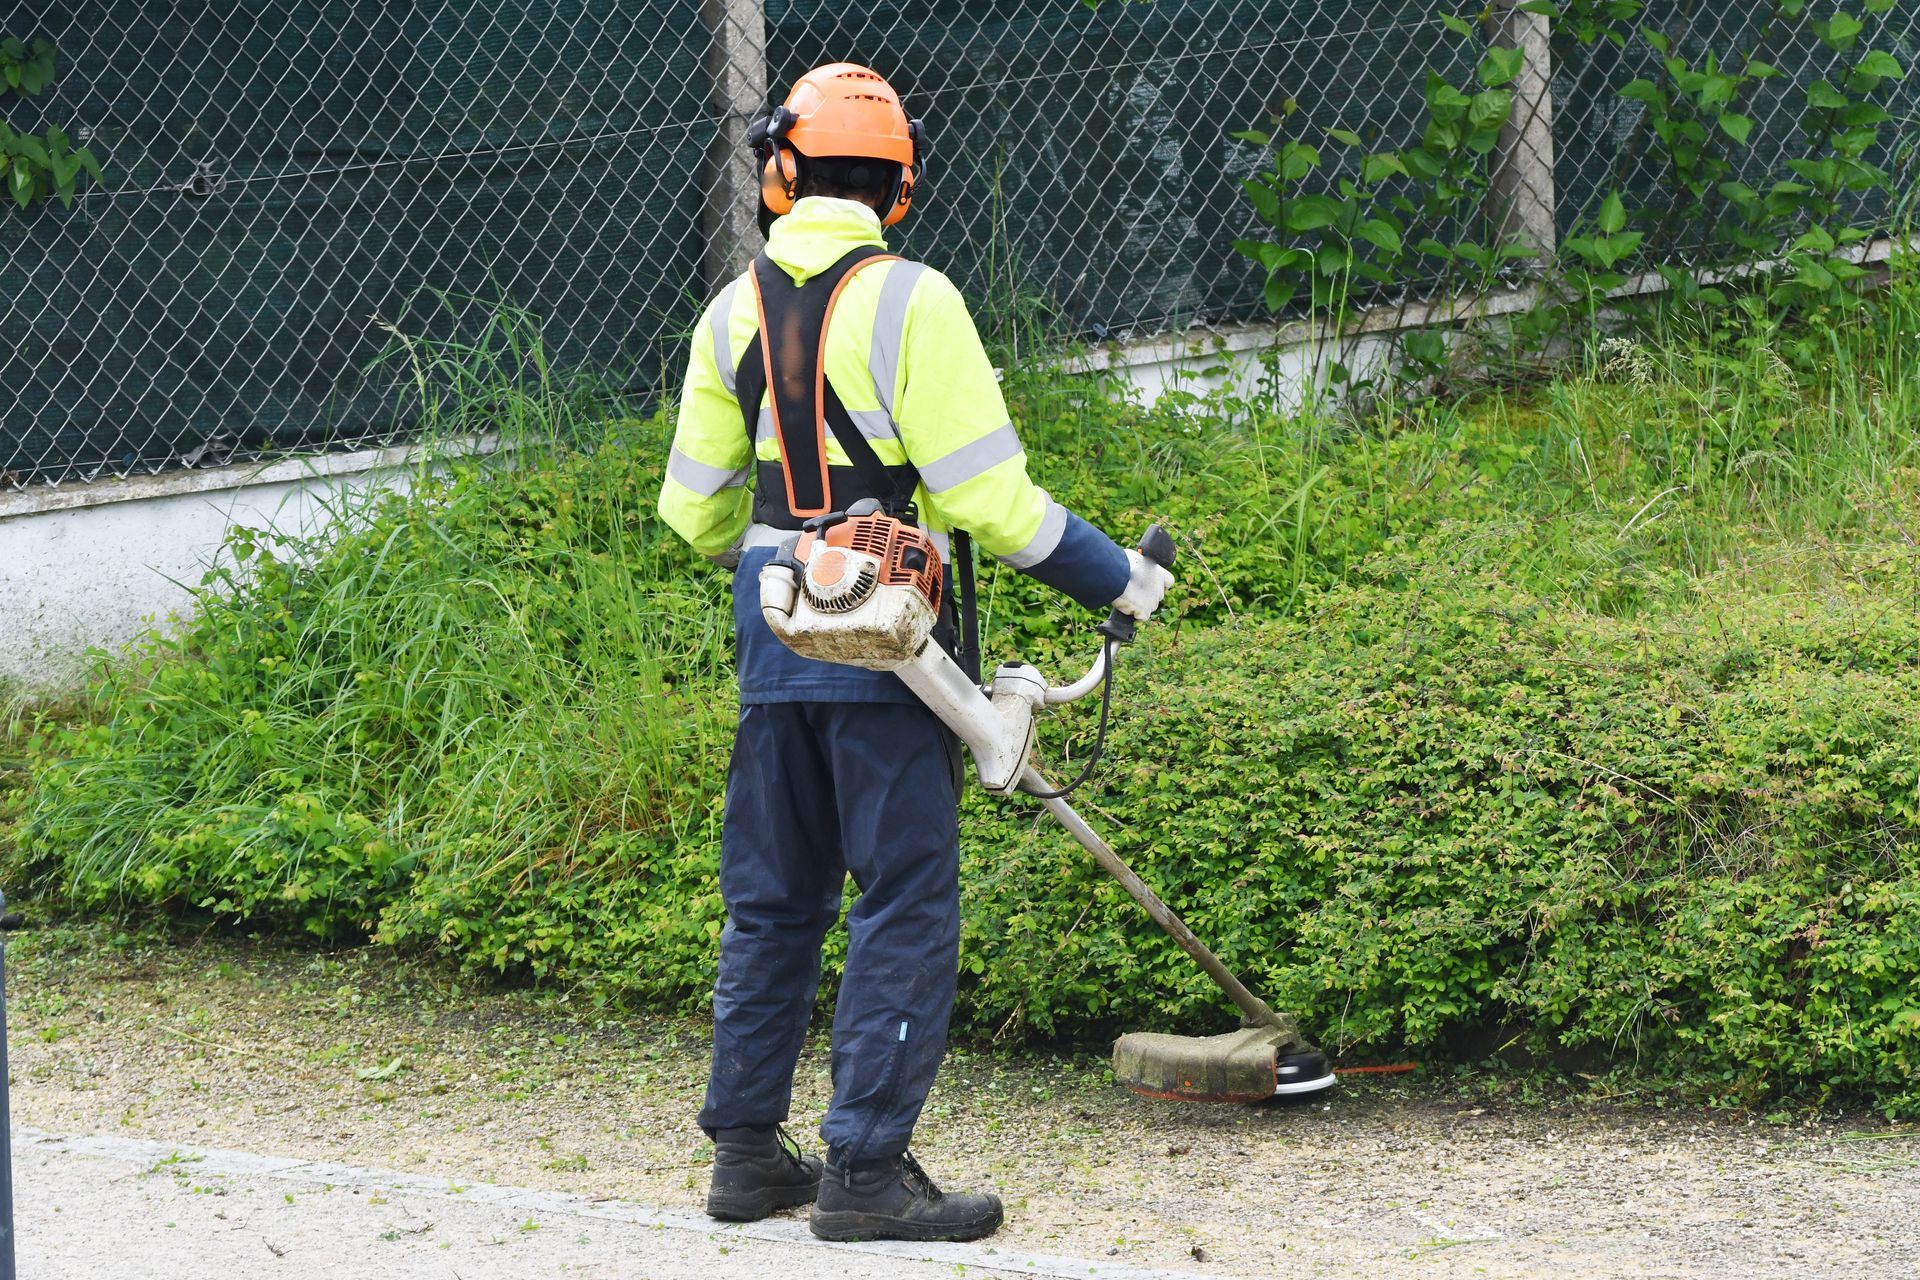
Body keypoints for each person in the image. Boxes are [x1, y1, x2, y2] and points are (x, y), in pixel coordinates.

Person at [657, 62, 1172, 1244]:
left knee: (773, 894)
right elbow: (994, 500)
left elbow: (690, 515)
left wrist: (794, 531)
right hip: (892, 634)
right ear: (898, 184)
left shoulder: (728, 308)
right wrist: (1119, 578)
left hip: (775, 620)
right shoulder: (915, 299)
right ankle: (866, 1173)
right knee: (902, 896)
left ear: (781, 171)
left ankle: (746, 1153)